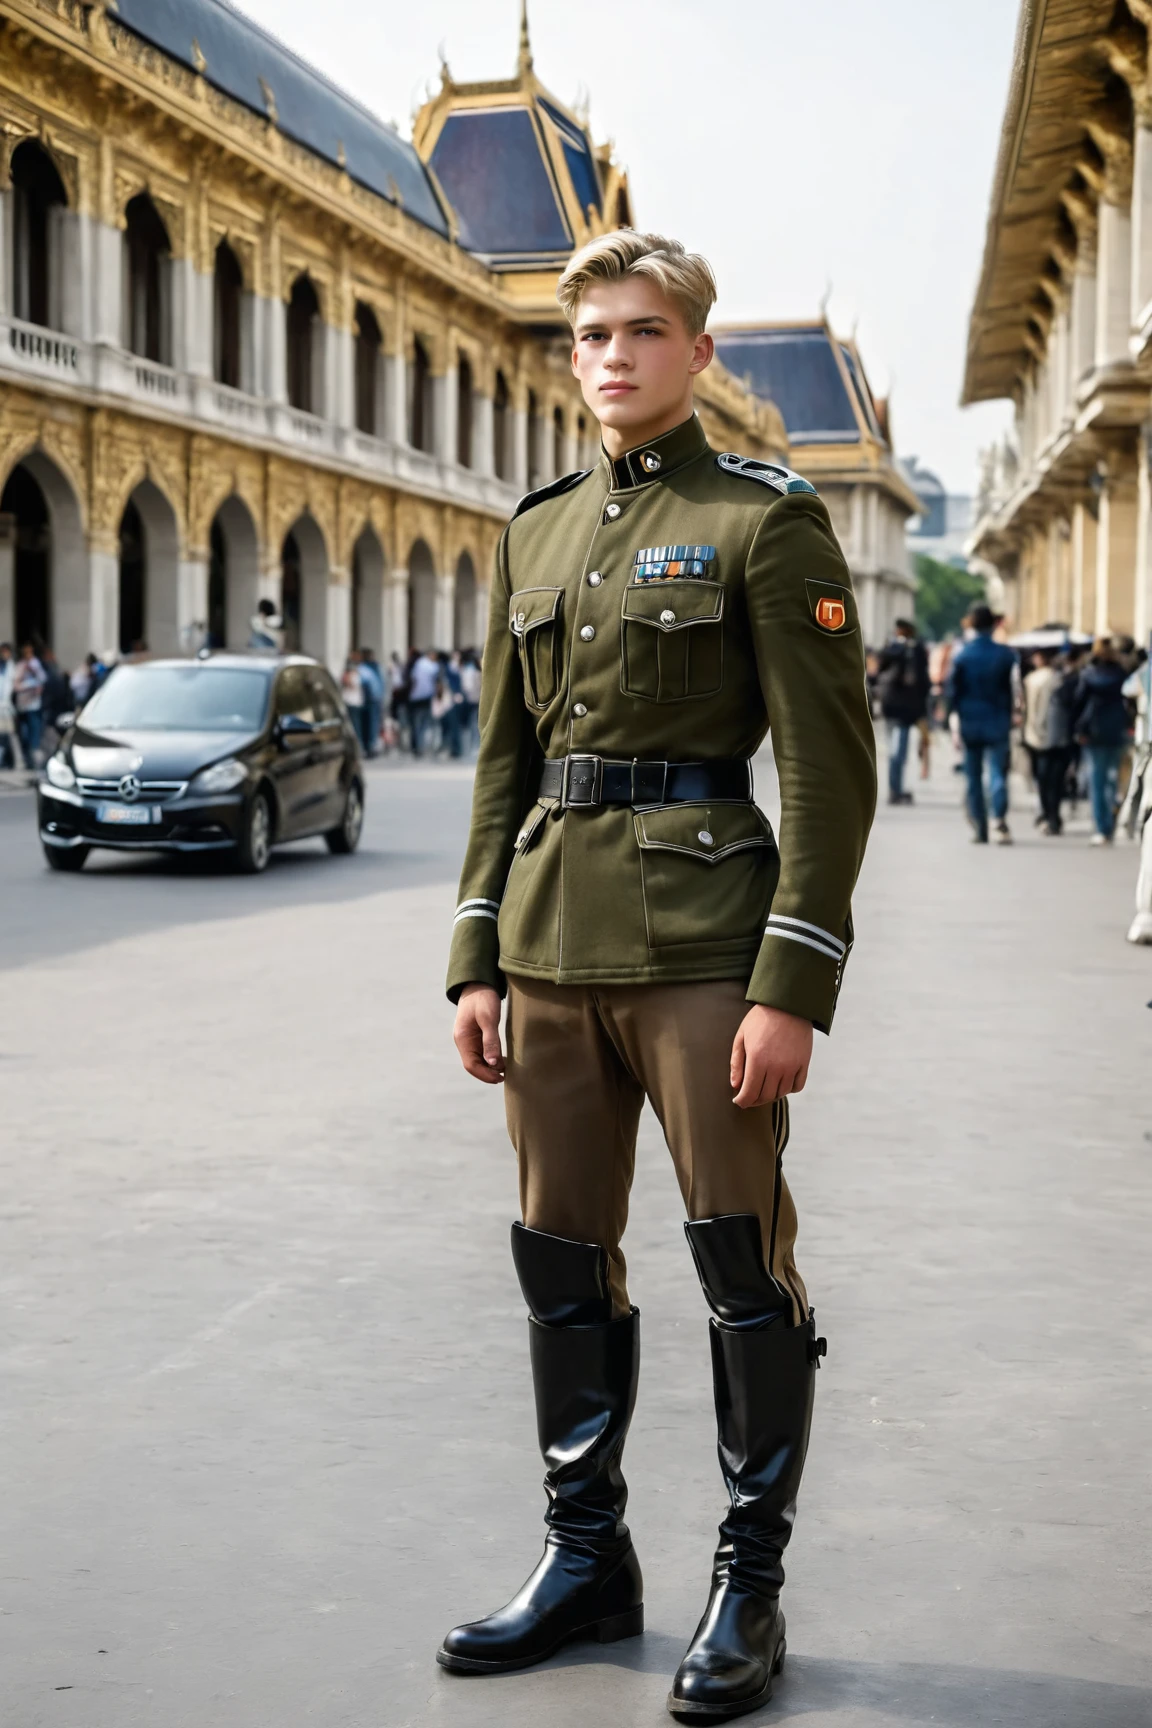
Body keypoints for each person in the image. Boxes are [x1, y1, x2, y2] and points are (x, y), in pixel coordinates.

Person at [439, 231, 876, 1720]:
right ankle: (585, 1562)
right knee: (560, 1262)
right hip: (549, 951)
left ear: (695, 353)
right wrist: (474, 956)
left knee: (737, 1262)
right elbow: (506, 763)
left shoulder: (765, 519)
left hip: (703, 950)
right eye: (589, 337)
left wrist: (792, 983)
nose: (611, 357)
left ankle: (746, 1586)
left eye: (641, 332)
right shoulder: (537, 530)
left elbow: (828, 776)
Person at [946, 603, 1017, 844]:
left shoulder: (963, 655)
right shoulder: (1006, 654)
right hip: (998, 720)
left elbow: (952, 692)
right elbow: (1014, 690)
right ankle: (999, 819)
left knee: (973, 776)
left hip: (970, 721)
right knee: (998, 772)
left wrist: (952, 717)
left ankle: (979, 827)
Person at [1074, 637, 1132, 844]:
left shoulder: (1088, 674)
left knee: (1096, 780)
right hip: (1117, 729)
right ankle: (1112, 820)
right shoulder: (1121, 674)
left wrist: (1077, 729)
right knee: (1112, 778)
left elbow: (1078, 702)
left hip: (1093, 731)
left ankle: (1101, 826)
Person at [874, 617, 929, 805]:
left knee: (898, 750)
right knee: (897, 751)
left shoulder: (910, 649)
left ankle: (895, 788)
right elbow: (923, 683)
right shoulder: (911, 649)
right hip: (901, 708)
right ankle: (894, 789)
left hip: (898, 707)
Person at [1022, 648, 1073, 835]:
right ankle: (1053, 816)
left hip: (1037, 736)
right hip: (1059, 736)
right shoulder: (1062, 679)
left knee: (1043, 779)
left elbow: (1029, 710)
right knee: (1056, 780)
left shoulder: (1033, 680)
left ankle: (1047, 814)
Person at [11, 642, 47, 768]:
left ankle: (35, 761)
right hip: (22, 705)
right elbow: (15, 684)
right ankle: (27, 759)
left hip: (34, 704)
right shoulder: (20, 665)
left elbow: (42, 679)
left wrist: (32, 672)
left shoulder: (35, 664)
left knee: (34, 733)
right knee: (24, 734)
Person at [407, 647, 438, 757]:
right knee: (424, 724)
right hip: (426, 697)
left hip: (415, 697)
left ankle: (417, 746)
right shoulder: (432, 666)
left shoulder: (418, 664)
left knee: (416, 724)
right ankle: (421, 746)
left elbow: (413, 679)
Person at [358, 648, 384, 757]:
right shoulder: (377, 668)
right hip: (376, 699)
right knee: (372, 723)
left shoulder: (363, 668)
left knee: (366, 724)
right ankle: (371, 745)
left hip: (367, 700)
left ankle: (369, 746)